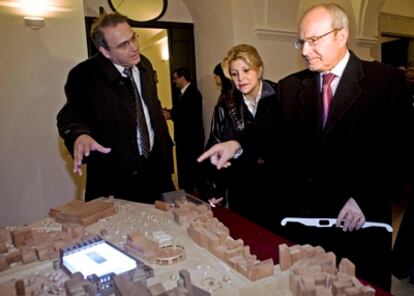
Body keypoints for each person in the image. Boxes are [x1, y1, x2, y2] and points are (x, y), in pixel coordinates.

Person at [198, 3, 414, 292]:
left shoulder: (386, 81)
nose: (304, 50)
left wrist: (365, 197)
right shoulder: (291, 86)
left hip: (361, 221)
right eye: (301, 41)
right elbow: (266, 127)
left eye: (313, 40)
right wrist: (236, 143)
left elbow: (399, 150)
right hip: (308, 223)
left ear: (341, 35)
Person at [57, 12, 175, 203]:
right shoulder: (84, 75)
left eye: (133, 38)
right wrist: (79, 134)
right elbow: (70, 114)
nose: (134, 47)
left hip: (156, 166)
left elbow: (150, 106)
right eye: (122, 45)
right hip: (117, 175)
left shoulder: (144, 63)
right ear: (104, 51)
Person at [203, 48, 278, 229]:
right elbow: (216, 143)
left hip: (275, 187)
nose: (240, 79)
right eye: (234, 74)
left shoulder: (280, 96)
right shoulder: (225, 104)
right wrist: (215, 188)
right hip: (241, 186)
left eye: (246, 70)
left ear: (259, 70)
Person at [163, 67, 205, 193]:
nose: (173, 81)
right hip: (184, 139)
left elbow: (188, 116)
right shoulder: (182, 93)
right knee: (185, 168)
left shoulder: (193, 93)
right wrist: (170, 112)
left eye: (175, 78)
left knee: (191, 168)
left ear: (182, 77)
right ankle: (187, 191)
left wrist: (170, 114)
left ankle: (193, 193)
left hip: (192, 139)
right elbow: (181, 111)